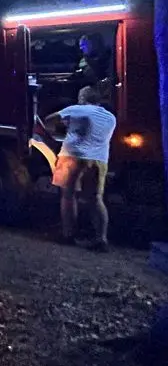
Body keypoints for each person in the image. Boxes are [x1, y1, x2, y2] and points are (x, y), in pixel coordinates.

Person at [46, 85, 117, 251]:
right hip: (99, 159)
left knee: (68, 196)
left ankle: (68, 234)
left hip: (73, 157)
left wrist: (57, 132)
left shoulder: (77, 109)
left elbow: (49, 120)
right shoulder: (110, 117)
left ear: (83, 98)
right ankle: (101, 239)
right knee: (96, 199)